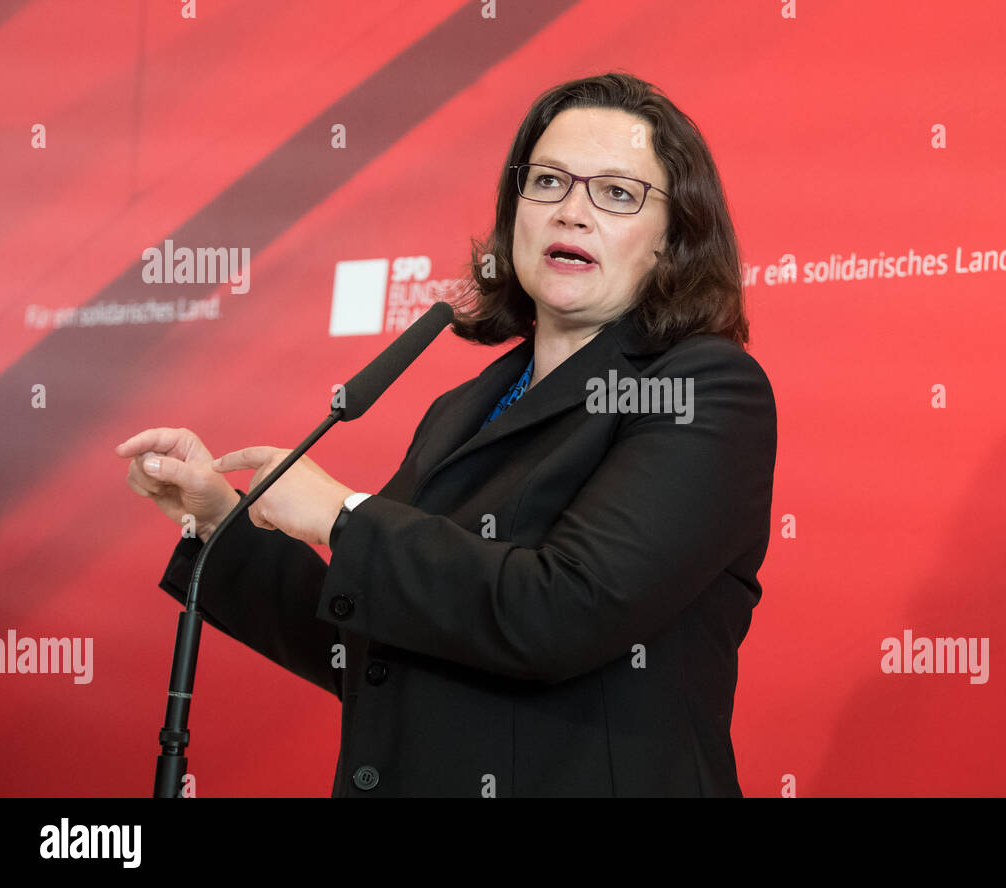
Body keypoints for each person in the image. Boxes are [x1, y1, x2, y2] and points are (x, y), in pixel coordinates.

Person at [115, 72, 777, 797]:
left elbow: (563, 612)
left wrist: (343, 517)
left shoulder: (703, 390)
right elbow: (378, 646)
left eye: (617, 193)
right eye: (549, 182)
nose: (572, 213)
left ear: (672, 242)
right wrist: (221, 521)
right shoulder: (463, 407)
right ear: (514, 212)